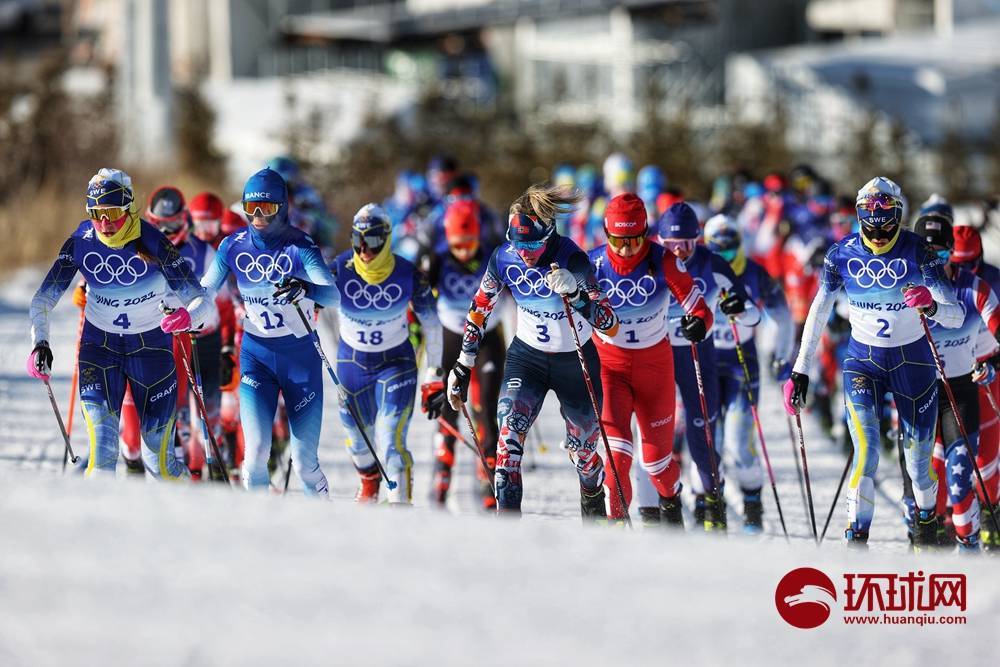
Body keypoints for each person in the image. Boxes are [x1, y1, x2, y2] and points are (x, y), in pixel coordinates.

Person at [784, 176, 965, 548]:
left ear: (899, 218)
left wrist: (930, 305)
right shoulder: (842, 255)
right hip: (862, 362)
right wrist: (801, 368)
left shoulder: (919, 253)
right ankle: (857, 538)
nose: (879, 237)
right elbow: (819, 312)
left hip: (912, 363)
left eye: (887, 228)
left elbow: (956, 315)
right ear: (859, 218)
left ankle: (925, 524)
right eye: (871, 228)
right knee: (865, 451)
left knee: (917, 464)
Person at [447, 183, 621, 519]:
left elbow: (609, 323)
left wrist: (577, 293)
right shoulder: (504, 257)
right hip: (528, 359)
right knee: (507, 445)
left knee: (584, 454)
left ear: (549, 233)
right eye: (519, 243)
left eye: (533, 244)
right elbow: (480, 308)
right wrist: (463, 364)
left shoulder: (572, 257)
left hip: (575, 362)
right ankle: (509, 533)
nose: (525, 253)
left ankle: (593, 498)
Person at [27, 168, 215, 478]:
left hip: (152, 350)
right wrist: (40, 343)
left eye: (112, 212)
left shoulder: (155, 242)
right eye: (96, 213)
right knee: (102, 454)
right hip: (99, 350)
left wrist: (187, 317)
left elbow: (201, 300)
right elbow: (42, 300)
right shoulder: (80, 242)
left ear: (128, 209)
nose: (105, 222)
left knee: (159, 463)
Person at [200, 167, 339, 495]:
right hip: (256, 357)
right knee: (255, 455)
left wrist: (304, 287)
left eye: (268, 209)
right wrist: (184, 313)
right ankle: (259, 532)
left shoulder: (300, 246)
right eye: (251, 209)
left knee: (305, 463)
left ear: (283, 208)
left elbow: (332, 294)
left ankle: (325, 525)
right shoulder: (232, 246)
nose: (259, 217)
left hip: (300, 359)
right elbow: (204, 291)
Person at [588, 193, 712, 525]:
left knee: (657, 463)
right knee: (617, 458)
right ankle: (616, 531)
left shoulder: (664, 260)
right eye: (618, 240)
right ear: (606, 233)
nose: (626, 249)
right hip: (610, 368)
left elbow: (699, 307)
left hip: (654, 367)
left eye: (634, 239)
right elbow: (563, 311)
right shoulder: (593, 264)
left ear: (646, 232)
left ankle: (671, 506)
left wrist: (698, 323)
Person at [898, 212, 1000, 552]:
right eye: (927, 256)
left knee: (958, 480)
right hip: (917, 393)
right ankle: (925, 539)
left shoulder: (972, 288)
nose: (934, 264)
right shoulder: (901, 289)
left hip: (960, 392)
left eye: (941, 255)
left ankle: (969, 551)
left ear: (951, 254)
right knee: (923, 480)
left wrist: (993, 364)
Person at [330, 203, 444, 504]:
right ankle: (369, 481)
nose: (365, 249)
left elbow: (432, 325)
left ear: (388, 239)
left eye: (374, 241)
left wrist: (434, 374)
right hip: (350, 366)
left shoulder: (409, 274)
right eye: (358, 240)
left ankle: (400, 509)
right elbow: (308, 301)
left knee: (390, 443)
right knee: (357, 444)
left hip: (396, 365)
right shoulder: (338, 268)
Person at [656, 202, 759, 531]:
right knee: (660, 432)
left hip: (699, 355)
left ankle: (710, 502)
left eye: (686, 244)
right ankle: (661, 505)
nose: (679, 252)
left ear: (697, 240)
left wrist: (738, 309)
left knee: (704, 431)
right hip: (656, 355)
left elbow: (753, 316)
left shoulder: (713, 264)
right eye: (671, 245)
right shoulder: (651, 263)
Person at [703, 213, 794, 533]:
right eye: (718, 249)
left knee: (739, 441)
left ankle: (752, 501)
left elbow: (783, 317)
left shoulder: (755, 274)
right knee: (707, 440)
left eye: (732, 248)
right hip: (706, 363)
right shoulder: (699, 269)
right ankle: (710, 501)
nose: (725, 256)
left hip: (742, 364)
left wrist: (782, 357)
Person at [423, 200, 505, 508]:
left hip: (487, 338)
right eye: (457, 245)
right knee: (448, 405)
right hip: (451, 336)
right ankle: (443, 468)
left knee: (488, 406)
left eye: (469, 244)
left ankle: (489, 470)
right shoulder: (438, 258)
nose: (464, 252)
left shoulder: (492, 257)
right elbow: (419, 301)